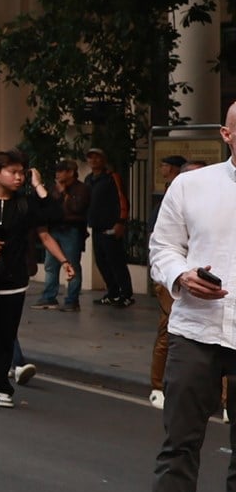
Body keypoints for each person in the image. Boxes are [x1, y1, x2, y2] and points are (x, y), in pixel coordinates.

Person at [121, 101, 236, 492]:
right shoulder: (192, 185)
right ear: (228, 135)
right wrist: (181, 275)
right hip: (197, 330)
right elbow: (162, 246)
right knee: (180, 444)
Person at [0, 150, 71, 407]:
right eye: (12, 172)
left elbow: (56, 216)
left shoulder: (25, 204)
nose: (18, 177)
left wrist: (38, 186)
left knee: (6, 335)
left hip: (14, 280)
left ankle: (3, 388)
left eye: (21, 173)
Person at [144, 155, 191, 407]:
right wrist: (174, 273)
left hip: (208, 280)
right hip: (173, 279)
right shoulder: (171, 200)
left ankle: (226, 401)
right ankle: (158, 386)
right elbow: (159, 243)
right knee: (167, 329)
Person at [34, 159, 88, 312]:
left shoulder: (81, 188)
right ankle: (49, 296)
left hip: (71, 229)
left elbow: (77, 208)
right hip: (54, 228)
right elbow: (49, 206)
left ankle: (72, 299)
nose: (57, 174)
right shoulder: (53, 188)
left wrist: (64, 192)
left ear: (70, 172)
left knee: (72, 264)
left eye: (61, 170)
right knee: (50, 264)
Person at [85, 148, 133, 305]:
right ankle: (112, 292)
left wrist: (121, 222)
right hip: (97, 227)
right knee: (101, 261)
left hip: (111, 226)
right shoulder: (88, 179)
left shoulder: (112, 177)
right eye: (91, 158)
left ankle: (126, 294)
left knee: (116, 261)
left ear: (103, 160)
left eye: (97, 158)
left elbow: (122, 200)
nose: (94, 161)